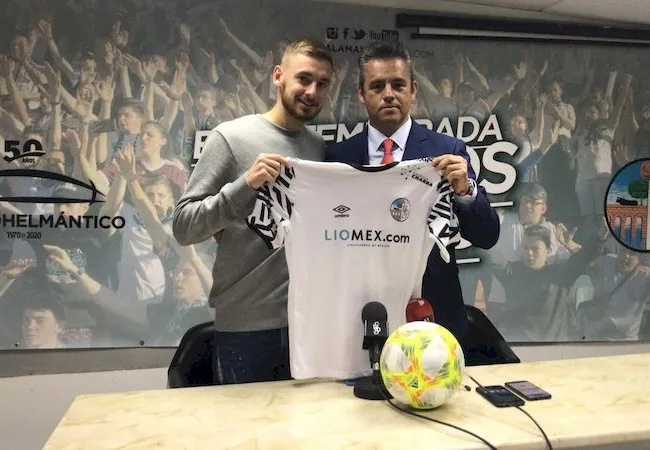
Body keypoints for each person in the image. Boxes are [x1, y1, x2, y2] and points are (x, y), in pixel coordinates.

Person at [172, 38, 333, 384]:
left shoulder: (318, 148)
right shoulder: (230, 138)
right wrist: (243, 186)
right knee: (247, 436)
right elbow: (184, 226)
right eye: (304, 78)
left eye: (322, 84)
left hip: (306, 323)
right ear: (278, 76)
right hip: (245, 325)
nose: (312, 91)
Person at [325, 42, 499, 339]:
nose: (388, 94)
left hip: (434, 309)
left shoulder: (448, 151)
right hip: (364, 309)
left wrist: (466, 191)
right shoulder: (337, 157)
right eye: (377, 86)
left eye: (398, 84)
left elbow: (486, 236)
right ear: (361, 95)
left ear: (413, 90)